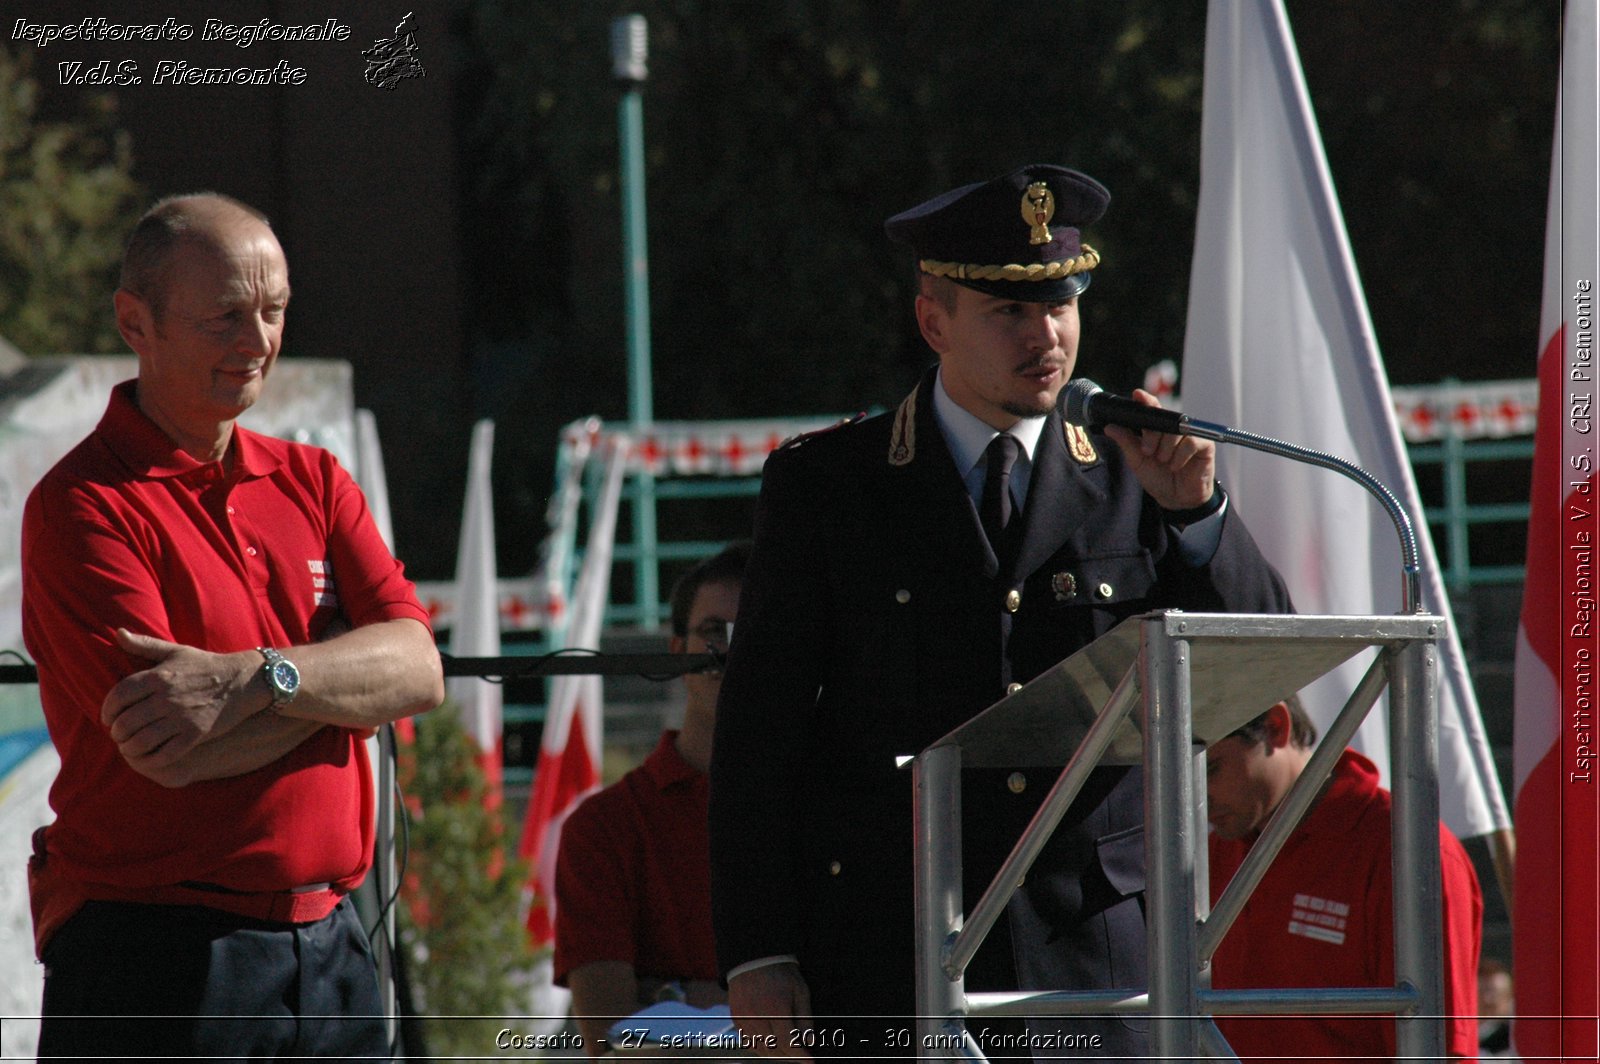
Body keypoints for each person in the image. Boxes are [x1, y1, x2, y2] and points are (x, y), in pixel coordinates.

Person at [708, 163, 1292, 1060]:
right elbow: (759, 736)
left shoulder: (1135, 470)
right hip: (894, 955)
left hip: (1096, 962)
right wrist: (758, 951)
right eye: (1010, 312)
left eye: (1062, 305)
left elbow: (1263, 666)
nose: (1046, 335)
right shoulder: (830, 487)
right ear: (933, 320)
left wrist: (1200, 519)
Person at [21, 192, 445, 1060]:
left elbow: (418, 668)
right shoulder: (81, 505)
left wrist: (257, 680)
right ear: (135, 323)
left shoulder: (314, 479)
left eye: (275, 309)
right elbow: (173, 750)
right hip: (156, 957)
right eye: (224, 317)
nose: (258, 342)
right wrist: (343, 693)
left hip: (330, 942)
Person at [1205, 696, 1483, 1061]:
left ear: (1276, 726)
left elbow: (1443, 1048)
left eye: (1211, 769)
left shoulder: (1405, 851)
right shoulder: (1215, 847)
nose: (1198, 795)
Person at [554, 542, 750, 1056]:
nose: (732, 650)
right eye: (713, 633)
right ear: (677, 653)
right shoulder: (602, 828)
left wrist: (675, 998)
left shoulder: (842, 810)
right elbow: (614, 1042)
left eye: (756, 628)